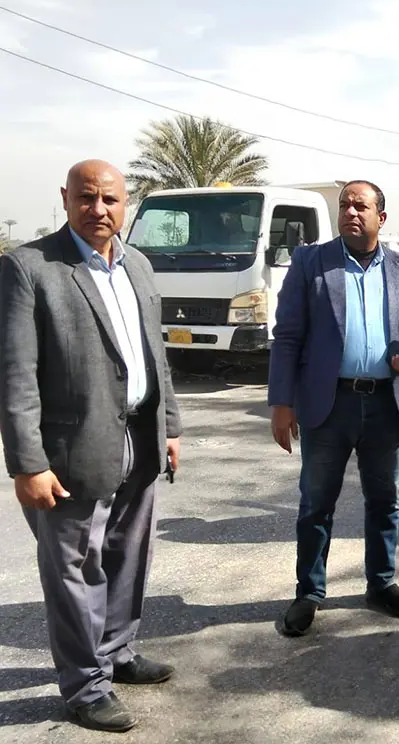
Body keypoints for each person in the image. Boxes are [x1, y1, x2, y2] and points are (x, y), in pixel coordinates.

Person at [0, 160, 182, 733]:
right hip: (69, 451)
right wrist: (27, 463)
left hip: (139, 438)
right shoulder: (29, 267)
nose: (98, 209)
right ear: (65, 198)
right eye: (86, 198)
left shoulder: (139, 265)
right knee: (74, 570)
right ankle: (85, 686)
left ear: (126, 204)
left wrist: (170, 427)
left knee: (128, 554)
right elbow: (15, 374)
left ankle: (118, 652)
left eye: (110, 199)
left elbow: (156, 355)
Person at [268, 180, 399, 637]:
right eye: (344, 204)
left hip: (386, 402)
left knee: (385, 501)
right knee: (316, 503)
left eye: (360, 206)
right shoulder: (311, 263)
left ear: (381, 217)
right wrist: (281, 402)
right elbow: (287, 336)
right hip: (328, 403)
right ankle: (309, 592)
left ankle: (381, 583)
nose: (350, 212)